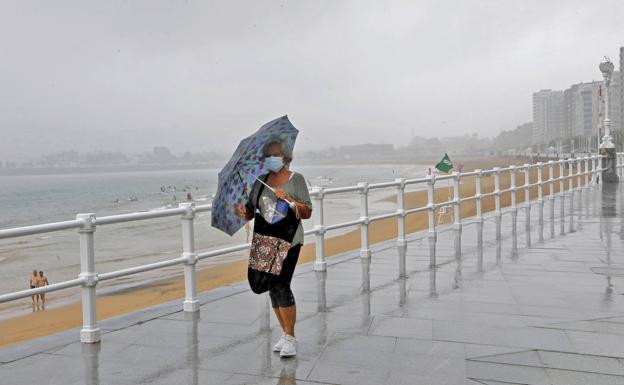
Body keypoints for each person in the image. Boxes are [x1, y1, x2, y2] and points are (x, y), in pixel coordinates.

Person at [235, 137, 312, 358]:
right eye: (268, 156)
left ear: (286, 157)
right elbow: (251, 211)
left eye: (275, 155)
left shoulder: (297, 180)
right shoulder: (260, 182)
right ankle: (285, 333)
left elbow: (306, 212)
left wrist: (288, 199)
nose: (271, 159)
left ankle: (290, 337)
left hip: (289, 240)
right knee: (271, 287)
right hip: (265, 242)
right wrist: (243, 212)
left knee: (282, 285)